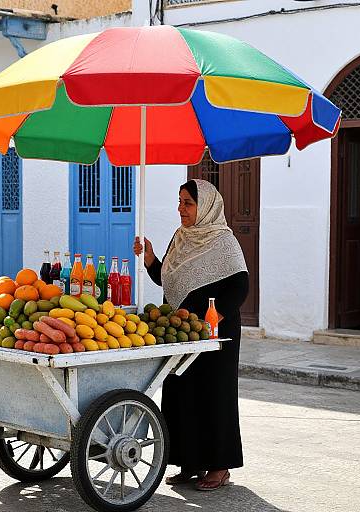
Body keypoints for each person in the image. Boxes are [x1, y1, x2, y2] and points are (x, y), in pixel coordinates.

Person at [133, 179, 249, 491]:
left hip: (215, 335)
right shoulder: (180, 238)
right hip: (180, 333)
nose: (181, 209)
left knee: (214, 395)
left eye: (188, 203)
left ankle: (219, 467)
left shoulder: (224, 242)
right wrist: (150, 259)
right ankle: (188, 462)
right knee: (181, 393)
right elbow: (166, 279)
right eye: (180, 201)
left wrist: (214, 317)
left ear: (206, 206)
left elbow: (240, 286)